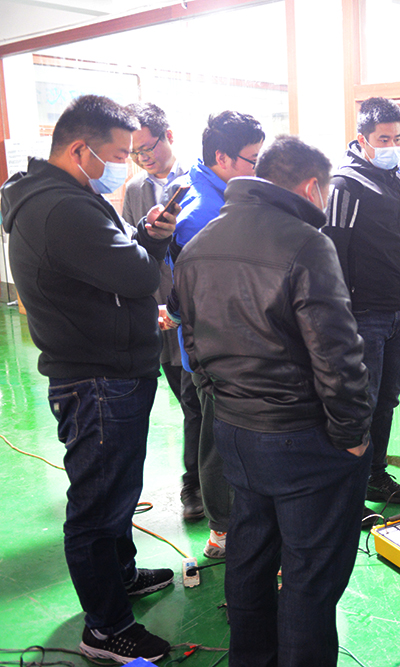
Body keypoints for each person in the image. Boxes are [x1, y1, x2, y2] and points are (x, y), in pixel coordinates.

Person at [174, 134, 372, 667]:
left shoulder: (200, 241)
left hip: (235, 429)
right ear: (310, 187)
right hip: (301, 437)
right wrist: (352, 434)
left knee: (251, 552)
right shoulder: (307, 244)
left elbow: (190, 337)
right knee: (309, 573)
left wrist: (223, 399)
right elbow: (335, 354)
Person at [0, 94, 176, 663]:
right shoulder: (61, 208)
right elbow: (137, 274)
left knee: (117, 491)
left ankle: (118, 577)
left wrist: (141, 233)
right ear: (80, 149)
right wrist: (153, 241)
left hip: (111, 368)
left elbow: (115, 263)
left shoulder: (70, 196)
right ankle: (104, 628)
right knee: (98, 507)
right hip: (97, 379)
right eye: (119, 154)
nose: (126, 164)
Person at [167, 110, 265, 558]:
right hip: (217, 350)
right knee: (218, 442)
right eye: (251, 159)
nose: (256, 168)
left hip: (236, 344)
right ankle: (222, 529)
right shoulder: (203, 213)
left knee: (233, 438)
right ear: (222, 157)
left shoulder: (217, 192)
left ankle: (235, 518)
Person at [323, 96, 400, 506]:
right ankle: (348, 482)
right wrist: (340, 313)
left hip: (398, 312)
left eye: (397, 138)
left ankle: (374, 474)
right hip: (361, 316)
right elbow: (332, 252)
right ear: (362, 138)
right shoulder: (345, 184)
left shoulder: (398, 180)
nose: (392, 146)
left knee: (387, 399)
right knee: (359, 402)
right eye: (383, 139)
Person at [121, 102, 202, 521]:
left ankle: (197, 484)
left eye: (147, 148)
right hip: (158, 314)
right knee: (185, 401)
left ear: (168, 135)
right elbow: (131, 251)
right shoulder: (134, 190)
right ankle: (200, 480)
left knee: (197, 401)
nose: (142, 158)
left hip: (196, 310)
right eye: (134, 152)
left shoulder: (197, 180)